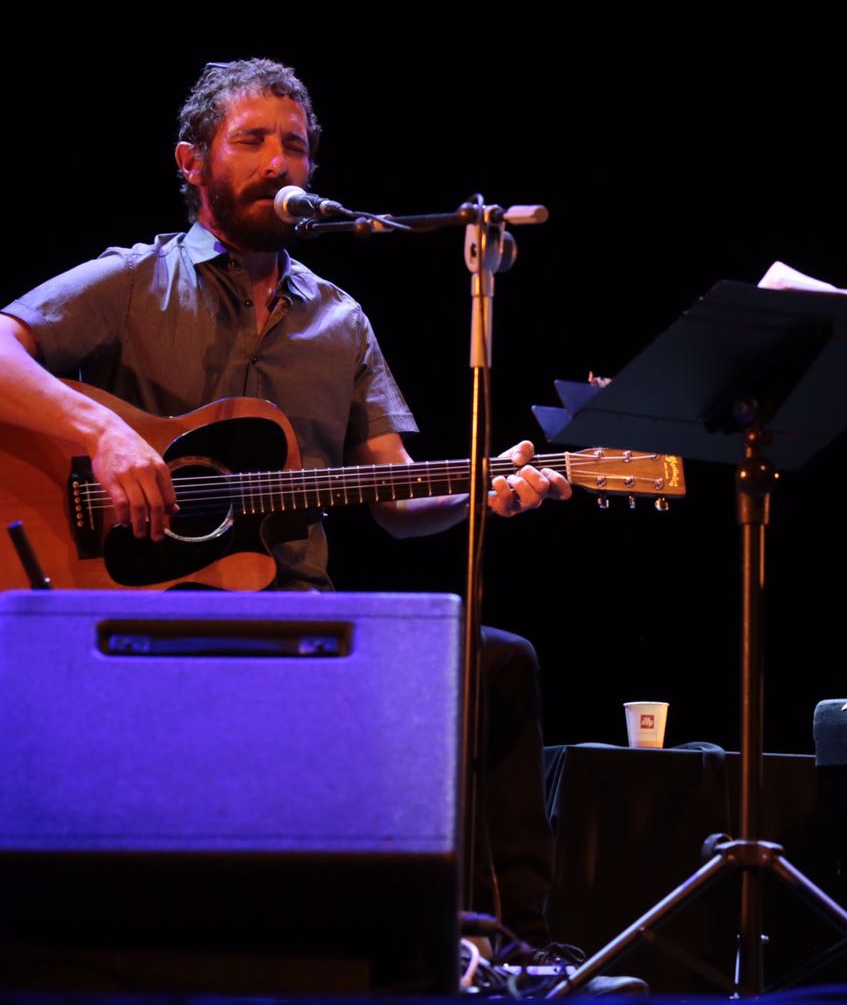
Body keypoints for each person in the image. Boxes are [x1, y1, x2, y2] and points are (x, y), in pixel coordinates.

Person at [0, 59, 578, 970]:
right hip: (141, 606)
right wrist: (102, 436)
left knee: (496, 662)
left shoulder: (339, 320)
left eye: (296, 145)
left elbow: (394, 497)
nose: (281, 163)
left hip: (295, 612)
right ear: (193, 162)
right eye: (254, 141)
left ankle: (515, 954)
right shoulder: (133, 281)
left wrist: (484, 487)